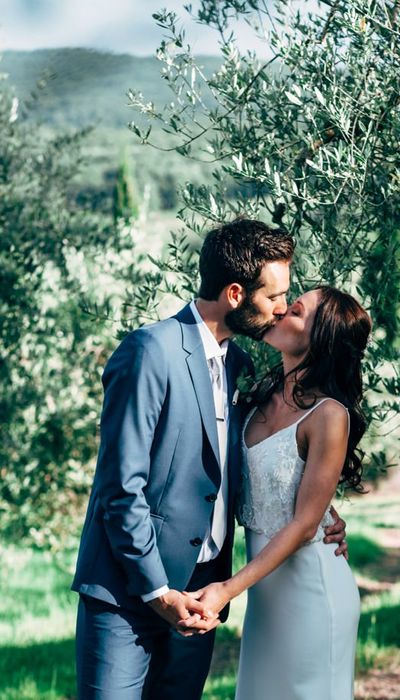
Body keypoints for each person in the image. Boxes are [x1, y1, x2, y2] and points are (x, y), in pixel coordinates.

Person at [71, 220, 349, 699]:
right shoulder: (150, 352)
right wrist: (158, 593)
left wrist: (319, 512)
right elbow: (120, 489)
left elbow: (249, 464)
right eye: (276, 296)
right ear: (237, 294)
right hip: (127, 594)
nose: (282, 308)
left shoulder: (240, 368)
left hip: (201, 598)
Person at [190, 285, 372, 699]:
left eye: (295, 311)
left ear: (320, 337)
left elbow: (306, 523)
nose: (278, 311)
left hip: (312, 591)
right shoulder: (255, 396)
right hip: (266, 595)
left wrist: (226, 590)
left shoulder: (329, 415)